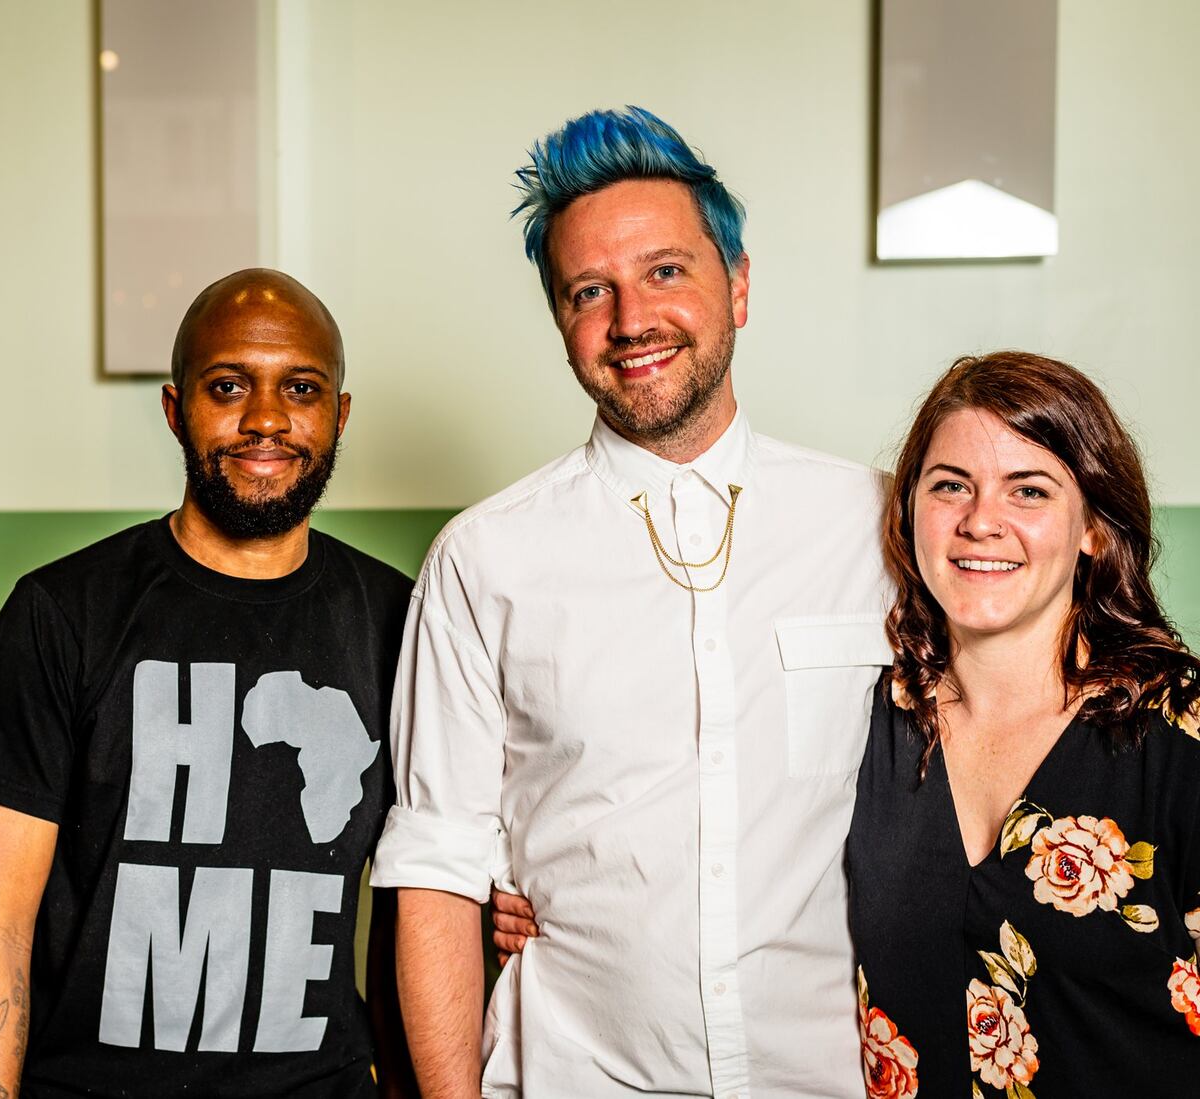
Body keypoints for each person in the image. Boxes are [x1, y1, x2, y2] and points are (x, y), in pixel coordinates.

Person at [369, 106, 893, 1096]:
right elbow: (435, 870)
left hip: (828, 1078)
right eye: (588, 291)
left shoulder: (876, 529)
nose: (629, 320)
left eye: (664, 271)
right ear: (561, 321)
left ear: (736, 286)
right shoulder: (483, 559)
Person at [0, 268, 414, 1098]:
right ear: (174, 408)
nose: (265, 418)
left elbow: (439, 880)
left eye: (300, 388)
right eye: (228, 386)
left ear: (338, 414)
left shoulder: (400, 620)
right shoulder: (62, 612)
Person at [847, 351, 1200, 1096]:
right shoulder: (866, 720)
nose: (981, 520)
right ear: (910, 509)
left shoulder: (1180, 734)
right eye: (951, 486)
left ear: (1094, 528)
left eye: (1028, 490)